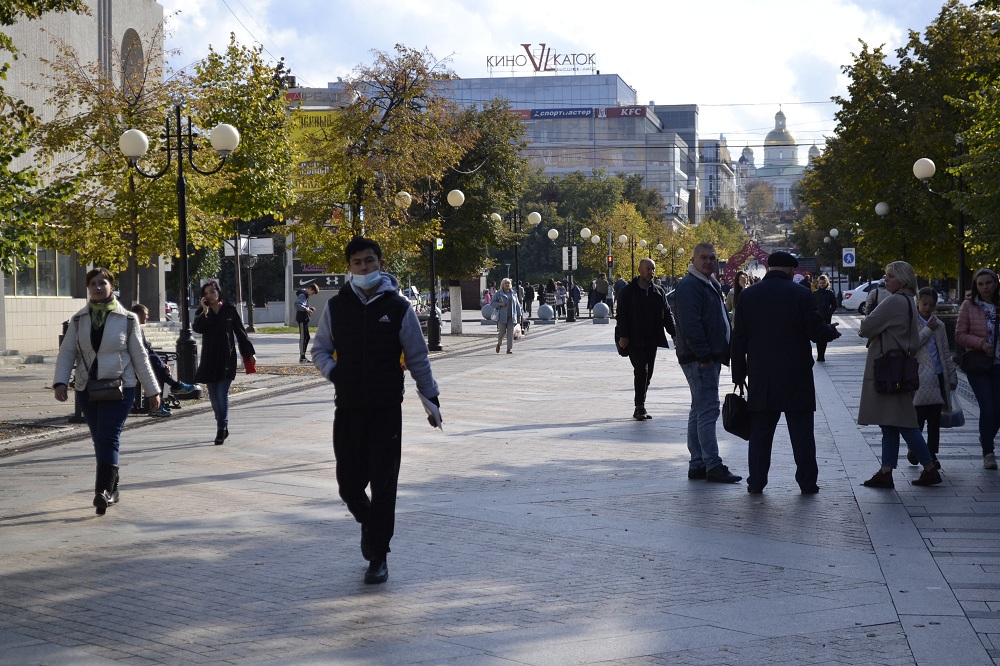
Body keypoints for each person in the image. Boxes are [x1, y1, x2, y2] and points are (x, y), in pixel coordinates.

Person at [312, 236, 441, 585]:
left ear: (380, 264)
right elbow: (319, 349)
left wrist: (431, 401)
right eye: (357, 263)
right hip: (349, 409)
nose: (364, 268)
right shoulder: (336, 307)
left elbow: (417, 357)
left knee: (384, 486)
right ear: (349, 268)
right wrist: (335, 372)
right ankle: (370, 525)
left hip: (386, 410)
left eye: (370, 261)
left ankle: (379, 556)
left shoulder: (398, 308)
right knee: (349, 487)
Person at [53, 268, 161, 515]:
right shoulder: (79, 319)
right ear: (88, 288)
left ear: (112, 286)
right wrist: (60, 381)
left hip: (121, 388)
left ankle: (101, 491)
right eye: (93, 283)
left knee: (107, 437)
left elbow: (140, 357)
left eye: (102, 283)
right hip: (87, 389)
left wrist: (153, 391)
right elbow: (67, 352)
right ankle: (112, 486)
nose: (98, 287)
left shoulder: (128, 319)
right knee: (99, 439)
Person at [730, 252, 841, 494]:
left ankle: (757, 482)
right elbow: (815, 331)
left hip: (762, 376)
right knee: (802, 433)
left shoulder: (749, 295)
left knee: (760, 434)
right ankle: (807, 482)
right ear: (791, 271)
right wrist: (830, 331)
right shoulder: (801, 294)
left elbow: (738, 338)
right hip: (796, 375)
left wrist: (738, 373)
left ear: (769, 268)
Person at [858, 261, 942, 488]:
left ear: (902, 280)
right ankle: (886, 472)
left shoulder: (894, 301)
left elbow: (866, 328)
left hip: (889, 370)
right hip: (900, 368)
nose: (885, 280)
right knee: (891, 422)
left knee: (904, 422)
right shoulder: (907, 302)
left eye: (890, 276)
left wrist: (867, 322)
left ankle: (929, 467)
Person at [673, 243, 742, 484]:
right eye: (704, 258)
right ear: (693, 259)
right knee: (709, 411)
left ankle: (698, 463)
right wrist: (704, 357)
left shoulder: (706, 282)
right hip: (701, 360)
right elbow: (692, 326)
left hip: (707, 358)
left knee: (698, 410)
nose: (709, 262)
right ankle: (713, 464)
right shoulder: (691, 285)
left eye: (712, 258)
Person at [192, 280, 256, 446]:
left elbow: (241, 333)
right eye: (206, 294)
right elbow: (198, 328)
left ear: (218, 293)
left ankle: (221, 428)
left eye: (212, 292)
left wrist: (249, 354)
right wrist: (205, 311)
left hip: (227, 358)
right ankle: (221, 423)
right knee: (213, 397)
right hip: (209, 359)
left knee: (221, 394)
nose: (210, 296)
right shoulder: (202, 312)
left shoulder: (229, 310)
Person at [616, 258, 675, 420]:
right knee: (641, 370)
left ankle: (640, 403)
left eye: (653, 269)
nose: (651, 272)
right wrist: (624, 335)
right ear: (640, 270)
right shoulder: (629, 291)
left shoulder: (658, 291)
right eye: (648, 269)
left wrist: (674, 333)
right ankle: (639, 406)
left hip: (652, 339)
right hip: (635, 339)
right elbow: (621, 314)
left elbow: (667, 314)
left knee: (648, 374)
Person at [908, 287, 958, 469]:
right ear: (917, 303)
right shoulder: (912, 324)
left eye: (931, 305)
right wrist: (928, 330)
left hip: (938, 376)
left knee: (935, 421)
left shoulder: (940, 325)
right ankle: (915, 449)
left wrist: (951, 376)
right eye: (924, 304)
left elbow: (945, 352)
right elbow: (911, 347)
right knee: (918, 419)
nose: (928, 308)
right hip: (920, 377)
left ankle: (931, 454)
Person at [956, 267, 1000, 470]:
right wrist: (982, 343)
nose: (985, 287)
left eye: (988, 283)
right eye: (981, 284)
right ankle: (988, 453)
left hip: (999, 363)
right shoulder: (969, 305)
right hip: (979, 363)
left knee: (998, 409)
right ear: (976, 286)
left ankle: (986, 437)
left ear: (996, 283)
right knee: (988, 407)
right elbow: (960, 335)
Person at [129, 304, 197, 416]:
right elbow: (140, 351)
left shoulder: (138, 329)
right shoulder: (131, 329)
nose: (147, 317)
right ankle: (174, 387)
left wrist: (163, 364)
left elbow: (148, 349)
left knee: (157, 368)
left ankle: (157, 406)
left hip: (141, 363)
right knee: (155, 363)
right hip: (132, 364)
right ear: (138, 314)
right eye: (145, 315)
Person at [492, 277, 523, 354]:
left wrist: (519, 316)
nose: (507, 284)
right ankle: (499, 343)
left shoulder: (514, 293)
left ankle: (509, 349)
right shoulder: (498, 293)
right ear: (502, 285)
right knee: (502, 332)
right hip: (502, 316)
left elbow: (517, 306)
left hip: (511, 317)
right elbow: (492, 303)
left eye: (509, 283)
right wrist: (500, 304)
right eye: (506, 283)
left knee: (510, 333)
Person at [812, 274, 838, 362]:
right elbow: (812, 305)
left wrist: (829, 312)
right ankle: (819, 355)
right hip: (817, 317)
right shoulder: (815, 293)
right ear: (818, 283)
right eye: (820, 283)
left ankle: (822, 355)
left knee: (824, 336)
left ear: (826, 283)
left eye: (824, 283)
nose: (822, 284)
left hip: (826, 317)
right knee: (819, 336)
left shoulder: (830, 293)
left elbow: (834, 304)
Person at [295, 283, 320, 363]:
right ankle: (302, 357)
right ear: (310, 289)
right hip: (301, 319)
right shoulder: (302, 295)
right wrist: (306, 309)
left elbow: (302, 305)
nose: (312, 295)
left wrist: (309, 308)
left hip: (304, 318)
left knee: (307, 337)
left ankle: (303, 357)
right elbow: (297, 304)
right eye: (312, 293)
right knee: (303, 338)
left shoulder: (305, 295)